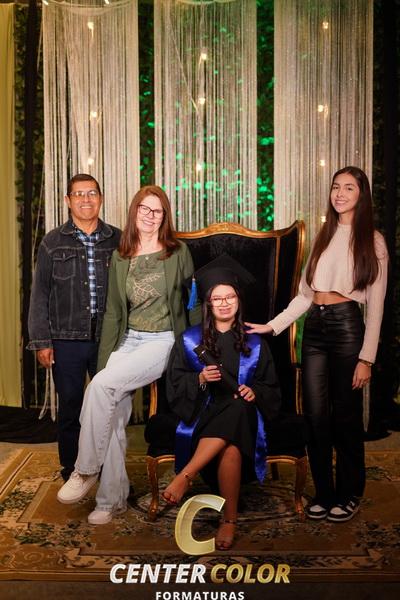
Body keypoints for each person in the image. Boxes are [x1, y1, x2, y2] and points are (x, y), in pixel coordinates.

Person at [246, 166, 388, 522]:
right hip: (314, 330)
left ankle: (349, 492)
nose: (340, 193)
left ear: (362, 195)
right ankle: (324, 492)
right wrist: (272, 326)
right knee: (314, 415)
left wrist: (367, 359)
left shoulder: (373, 240)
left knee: (345, 416)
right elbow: (305, 296)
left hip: (347, 328)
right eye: (336, 187)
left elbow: (377, 306)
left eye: (349, 188)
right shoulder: (324, 236)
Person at [57, 185, 197, 524]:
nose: (150, 216)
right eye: (144, 209)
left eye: (157, 211)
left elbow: (193, 303)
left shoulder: (178, 252)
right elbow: (113, 313)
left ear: (165, 216)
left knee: (99, 389)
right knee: (112, 412)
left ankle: (85, 470)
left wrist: (197, 352)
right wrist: (105, 361)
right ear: (135, 212)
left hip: (163, 341)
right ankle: (110, 501)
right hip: (128, 339)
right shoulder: (121, 255)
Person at [162, 255, 281, 550]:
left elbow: (270, 385)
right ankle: (229, 520)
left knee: (239, 407)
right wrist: (200, 378)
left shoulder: (255, 342)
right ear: (208, 304)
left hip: (245, 414)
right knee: (230, 441)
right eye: (217, 298)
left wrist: (255, 392)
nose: (225, 303)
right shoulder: (190, 340)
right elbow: (175, 384)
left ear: (238, 301)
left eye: (230, 297)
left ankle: (186, 475)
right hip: (204, 413)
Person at [28, 174, 121, 482]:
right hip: (66, 339)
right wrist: (42, 341)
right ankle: (73, 470)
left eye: (91, 193)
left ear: (101, 198)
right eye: (78, 194)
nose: (85, 199)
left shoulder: (118, 240)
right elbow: (39, 295)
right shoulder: (52, 242)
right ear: (68, 201)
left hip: (108, 338)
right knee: (71, 405)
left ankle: (109, 472)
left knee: (110, 407)